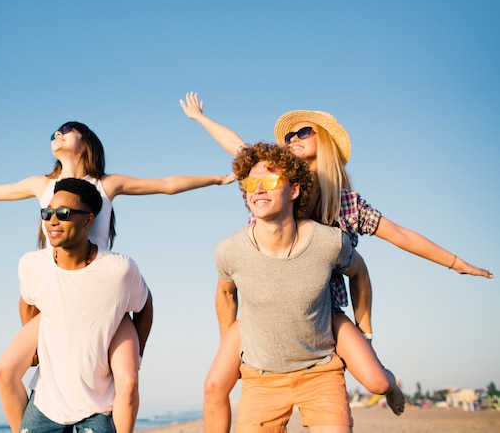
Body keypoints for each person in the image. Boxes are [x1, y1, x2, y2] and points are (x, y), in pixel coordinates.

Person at [180, 92, 493, 431]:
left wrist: (457, 263)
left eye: (303, 132)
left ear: (324, 142)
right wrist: (200, 118)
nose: (293, 139)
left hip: (322, 310)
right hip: (263, 308)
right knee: (214, 385)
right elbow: (237, 147)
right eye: (288, 136)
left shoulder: (345, 204)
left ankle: (390, 385)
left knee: (374, 380)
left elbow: (399, 235)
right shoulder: (269, 179)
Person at [0, 120, 234, 433]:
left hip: (103, 295)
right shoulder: (41, 184)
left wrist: (219, 179)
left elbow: (167, 184)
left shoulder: (106, 184)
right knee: (5, 371)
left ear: (85, 140)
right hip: (58, 294)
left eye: (66, 130)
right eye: (53, 133)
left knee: (127, 381)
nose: (56, 134)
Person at [217, 142, 361, 432]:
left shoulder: (329, 242)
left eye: (270, 181)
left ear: (294, 190)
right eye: (250, 183)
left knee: (378, 382)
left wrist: (365, 327)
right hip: (261, 379)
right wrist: (230, 346)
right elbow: (224, 293)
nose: (258, 189)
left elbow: (360, 272)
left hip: (320, 372)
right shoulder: (230, 250)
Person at [16, 177, 153, 433]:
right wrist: (34, 346)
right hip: (46, 403)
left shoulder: (118, 270)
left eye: (63, 213)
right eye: (47, 213)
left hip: (98, 405)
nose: (52, 220)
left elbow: (145, 305)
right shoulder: (31, 265)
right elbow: (26, 301)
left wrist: (137, 354)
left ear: (88, 221)